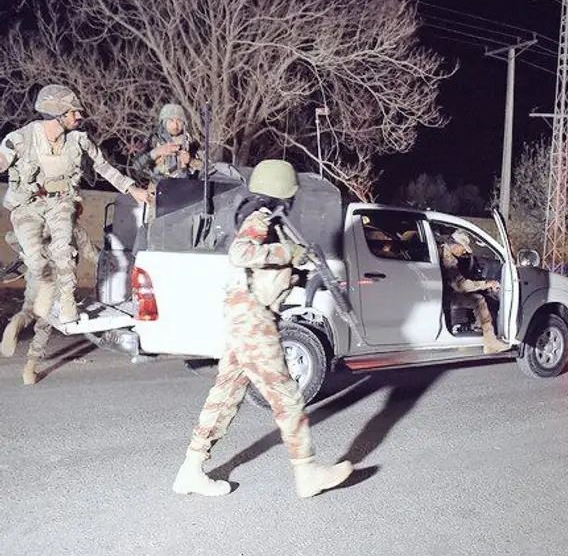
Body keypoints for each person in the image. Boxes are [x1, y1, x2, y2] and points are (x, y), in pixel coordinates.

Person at [172, 159, 353, 498]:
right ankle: (307, 472)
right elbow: (241, 253)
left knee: (225, 395)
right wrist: (290, 252)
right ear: (283, 192)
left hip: (243, 316)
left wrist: (298, 269)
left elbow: (267, 269)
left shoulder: (265, 219)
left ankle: (190, 470)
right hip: (253, 318)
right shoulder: (259, 219)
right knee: (286, 395)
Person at [0, 84, 148, 324]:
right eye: (72, 112)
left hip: (61, 204)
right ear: (57, 113)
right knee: (37, 262)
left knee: (64, 253)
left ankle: (68, 305)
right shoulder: (20, 139)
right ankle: (25, 249)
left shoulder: (79, 140)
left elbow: (103, 166)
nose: (79, 116)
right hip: (28, 207)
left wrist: (132, 189)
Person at [1, 204, 99, 385]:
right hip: (57, 279)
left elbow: (12, 237)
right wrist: (112, 260)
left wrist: (25, 253)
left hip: (36, 272)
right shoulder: (76, 231)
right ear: (77, 212)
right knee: (45, 323)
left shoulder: (43, 225)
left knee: (29, 309)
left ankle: (17, 322)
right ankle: (29, 370)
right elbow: (92, 255)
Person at [438, 229, 511, 354]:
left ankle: (477, 329)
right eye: (463, 248)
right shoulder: (449, 259)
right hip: (443, 296)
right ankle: (490, 342)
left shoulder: (441, 250)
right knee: (478, 300)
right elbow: (461, 286)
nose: (465, 251)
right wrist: (487, 283)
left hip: (439, 292)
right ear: (455, 244)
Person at [133, 103, 203, 185]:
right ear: (164, 122)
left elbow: (208, 168)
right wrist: (155, 153)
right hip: (158, 189)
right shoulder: (152, 140)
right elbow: (135, 167)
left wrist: (190, 161)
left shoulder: (191, 141)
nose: (175, 125)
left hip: (185, 189)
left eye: (179, 121)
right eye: (171, 120)